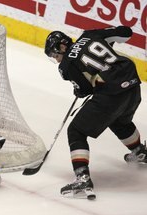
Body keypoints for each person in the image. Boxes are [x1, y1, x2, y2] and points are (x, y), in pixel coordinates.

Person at [44, 26, 146, 198]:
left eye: (56, 55)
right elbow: (126, 32)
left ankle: (82, 177)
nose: (57, 60)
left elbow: (85, 90)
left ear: (62, 47)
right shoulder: (90, 34)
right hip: (132, 84)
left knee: (76, 131)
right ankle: (140, 152)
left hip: (112, 93)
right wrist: (108, 42)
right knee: (119, 120)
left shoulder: (66, 66)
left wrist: (79, 90)